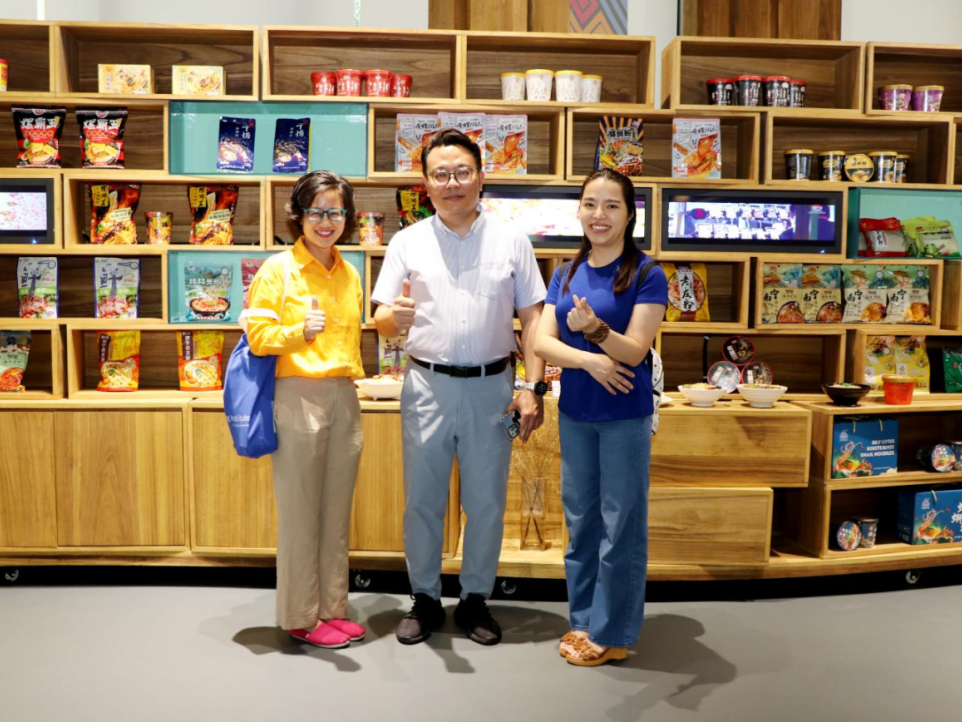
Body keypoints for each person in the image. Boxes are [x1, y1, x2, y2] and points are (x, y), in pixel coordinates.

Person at [371, 128, 547, 646]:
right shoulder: (407, 241)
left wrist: (533, 386)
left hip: (494, 389)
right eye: (441, 175)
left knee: (486, 501)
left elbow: (533, 319)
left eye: (462, 172)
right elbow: (381, 318)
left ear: (481, 177)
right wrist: (395, 318)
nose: (452, 183)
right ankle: (425, 598)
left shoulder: (512, 240)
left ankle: (474, 600)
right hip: (426, 385)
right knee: (422, 500)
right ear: (426, 185)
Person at [533, 168, 667, 667]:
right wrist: (590, 360)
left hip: (624, 416)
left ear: (629, 215)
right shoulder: (566, 272)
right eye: (590, 204)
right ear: (579, 211)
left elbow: (635, 351)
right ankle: (584, 620)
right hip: (576, 413)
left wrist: (595, 331)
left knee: (621, 525)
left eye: (612, 205)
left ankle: (614, 633)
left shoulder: (647, 274)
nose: (599, 215)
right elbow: (540, 342)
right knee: (581, 523)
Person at [245, 170, 366, 650]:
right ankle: (300, 616)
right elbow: (257, 337)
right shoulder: (278, 270)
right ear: (297, 215)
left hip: (344, 395)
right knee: (300, 513)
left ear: (347, 217)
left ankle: (332, 609)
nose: (326, 221)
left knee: (335, 513)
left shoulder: (351, 272)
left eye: (335, 211)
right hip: (297, 395)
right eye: (316, 211)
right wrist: (300, 333)